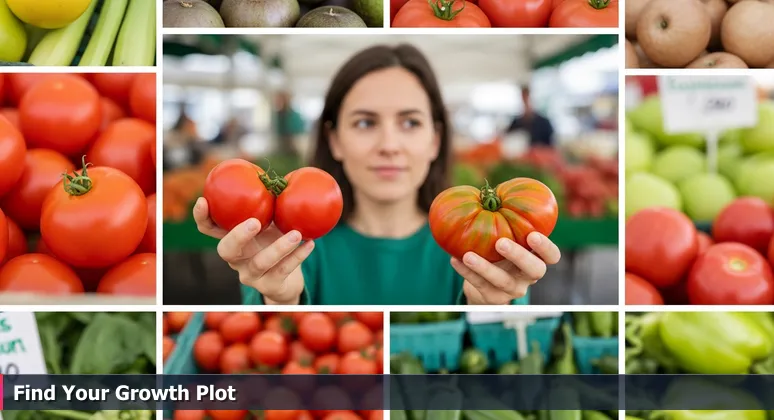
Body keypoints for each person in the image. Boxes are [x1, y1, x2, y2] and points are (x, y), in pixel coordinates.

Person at [192, 44, 562, 305]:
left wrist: (492, 309)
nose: (389, 144)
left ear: (435, 140)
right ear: (333, 139)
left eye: (410, 122)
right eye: (366, 122)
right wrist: (280, 300)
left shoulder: (484, 253)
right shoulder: (288, 247)